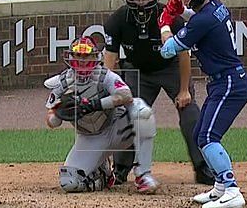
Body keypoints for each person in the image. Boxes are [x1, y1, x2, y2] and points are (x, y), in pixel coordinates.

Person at [104, 0, 214, 186]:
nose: (141, 3)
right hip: (137, 70)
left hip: (170, 67)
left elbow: (183, 55)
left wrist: (183, 90)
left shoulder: (171, 17)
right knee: (127, 115)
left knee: (190, 112)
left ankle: (203, 167)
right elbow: (110, 58)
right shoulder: (117, 20)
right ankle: (120, 169)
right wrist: (108, 91)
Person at [159, 0, 247, 208]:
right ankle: (220, 187)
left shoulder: (202, 21)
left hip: (230, 83)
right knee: (200, 132)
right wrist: (180, 11)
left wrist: (165, 24)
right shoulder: (216, 8)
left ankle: (232, 190)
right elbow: (196, 18)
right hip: (224, 81)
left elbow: (168, 50)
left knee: (209, 137)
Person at [44, 37, 160, 193]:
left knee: (142, 113)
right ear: (71, 57)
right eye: (78, 56)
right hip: (88, 139)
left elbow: (126, 96)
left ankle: (143, 175)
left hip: (116, 130)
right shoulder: (63, 83)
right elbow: (51, 121)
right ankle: (102, 174)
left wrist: (94, 105)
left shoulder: (105, 76)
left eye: (86, 56)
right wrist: (59, 114)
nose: (82, 61)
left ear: (95, 57)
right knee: (69, 182)